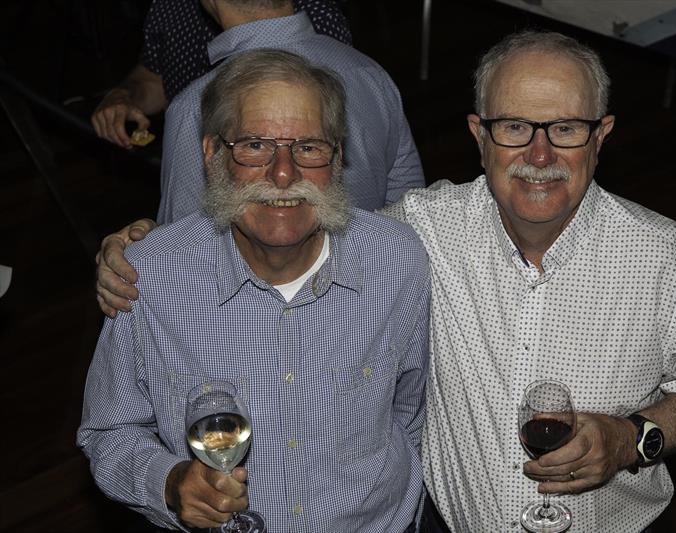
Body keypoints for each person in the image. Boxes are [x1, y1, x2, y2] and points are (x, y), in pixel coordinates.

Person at [94, 30, 676, 533]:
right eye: (515, 127)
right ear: (479, 135)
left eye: (567, 129)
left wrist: (634, 438)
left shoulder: (664, 258)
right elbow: (288, 221)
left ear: (601, 136)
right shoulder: (421, 234)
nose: (540, 156)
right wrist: (136, 251)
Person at [78, 49, 430, 533]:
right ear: (212, 155)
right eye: (255, 146)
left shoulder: (398, 259)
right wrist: (168, 482)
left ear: (339, 155)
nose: (283, 174)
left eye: (308, 147)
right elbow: (109, 431)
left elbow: (415, 411)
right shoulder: (147, 277)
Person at [156, 0, 423, 223]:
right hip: (374, 274)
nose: (284, 173)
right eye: (256, 145)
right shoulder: (370, 74)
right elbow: (411, 210)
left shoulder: (194, 105)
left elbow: (181, 245)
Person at [91, 0, 352, 148]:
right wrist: (124, 96)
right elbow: (152, 79)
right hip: (192, 161)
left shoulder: (307, 11)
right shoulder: (168, 7)